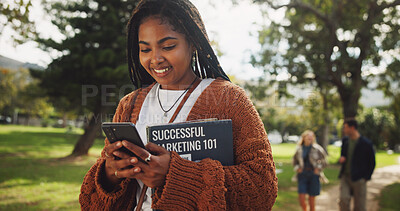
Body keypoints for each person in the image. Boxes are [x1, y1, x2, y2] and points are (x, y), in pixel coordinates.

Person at [79, 0, 278, 210]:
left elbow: (262, 189)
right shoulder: (129, 105)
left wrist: (175, 175)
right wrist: (111, 174)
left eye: (168, 47)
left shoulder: (230, 99)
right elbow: (92, 202)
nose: (155, 59)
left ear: (193, 43)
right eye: (145, 49)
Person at [338, 119, 375, 211]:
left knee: (359, 206)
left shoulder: (366, 143)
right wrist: (342, 158)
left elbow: (372, 162)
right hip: (345, 177)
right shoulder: (345, 141)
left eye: (345, 127)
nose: (344, 130)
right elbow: (343, 154)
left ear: (352, 128)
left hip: (359, 179)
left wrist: (366, 177)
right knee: (343, 200)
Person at [292, 130, 328, 211]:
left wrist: (318, 168)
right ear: (304, 138)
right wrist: (297, 168)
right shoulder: (299, 149)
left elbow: (325, 162)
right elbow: (294, 161)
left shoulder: (317, 149)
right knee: (301, 199)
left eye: (312, 136)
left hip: (313, 175)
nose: (310, 137)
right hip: (302, 175)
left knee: (312, 201)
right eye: (308, 136)